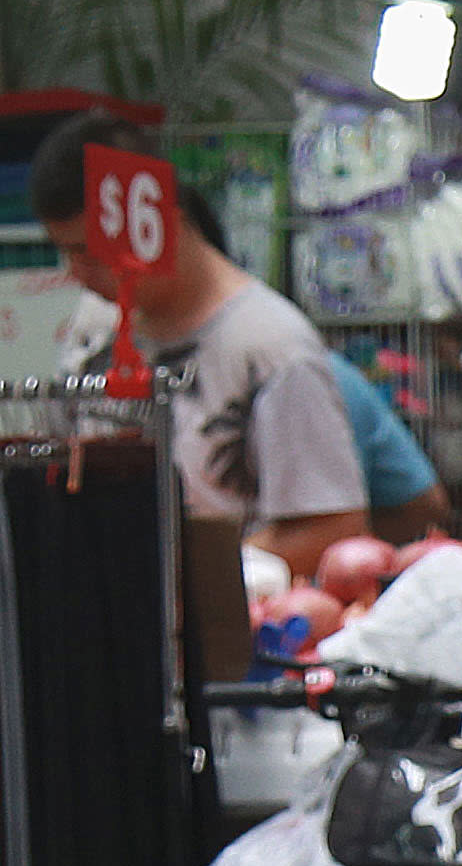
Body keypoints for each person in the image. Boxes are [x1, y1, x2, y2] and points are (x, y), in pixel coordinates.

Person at [26, 111, 368, 576]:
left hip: (222, 631)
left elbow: (332, 528)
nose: (76, 273)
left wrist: (183, 582)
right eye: (64, 252)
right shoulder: (96, 321)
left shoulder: (272, 346)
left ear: (157, 218)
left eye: (88, 251)